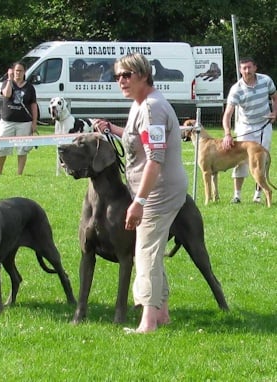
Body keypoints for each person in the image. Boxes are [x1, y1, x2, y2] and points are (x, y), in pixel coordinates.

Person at [93, 53, 188, 333]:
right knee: (153, 251)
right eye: (117, 76)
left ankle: (147, 323)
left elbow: (155, 159)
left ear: (144, 75)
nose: (121, 80)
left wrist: (139, 201)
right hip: (155, 190)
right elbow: (138, 138)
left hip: (158, 193)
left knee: (145, 252)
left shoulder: (152, 108)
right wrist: (111, 128)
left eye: (127, 75)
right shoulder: (141, 105)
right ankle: (162, 313)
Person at [222, 57, 277, 204]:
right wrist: (227, 134)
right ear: (240, 70)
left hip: (264, 125)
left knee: (261, 162)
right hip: (245, 127)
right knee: (240, 161)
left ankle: (258, 195)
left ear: (255, 68)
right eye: (244, 68)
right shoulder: (236, 89)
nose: (247, 70)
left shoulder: (266, 81)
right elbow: (227, 114)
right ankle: (237, 195)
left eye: (249, 67)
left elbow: (275, 97)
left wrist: (275, 112)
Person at [0, 62, 38, 175]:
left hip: (24, 122)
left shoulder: (29, 87)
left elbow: (33, 105)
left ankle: (19, 173)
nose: (18, 73)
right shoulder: (6, 83)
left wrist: (34, 122)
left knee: (22, 148)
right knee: (2, 147)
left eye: (21, 71)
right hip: (7, 121)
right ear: (12, 71)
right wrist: (9, 79)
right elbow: (7, 95)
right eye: (16, 70)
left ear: (24, 72)